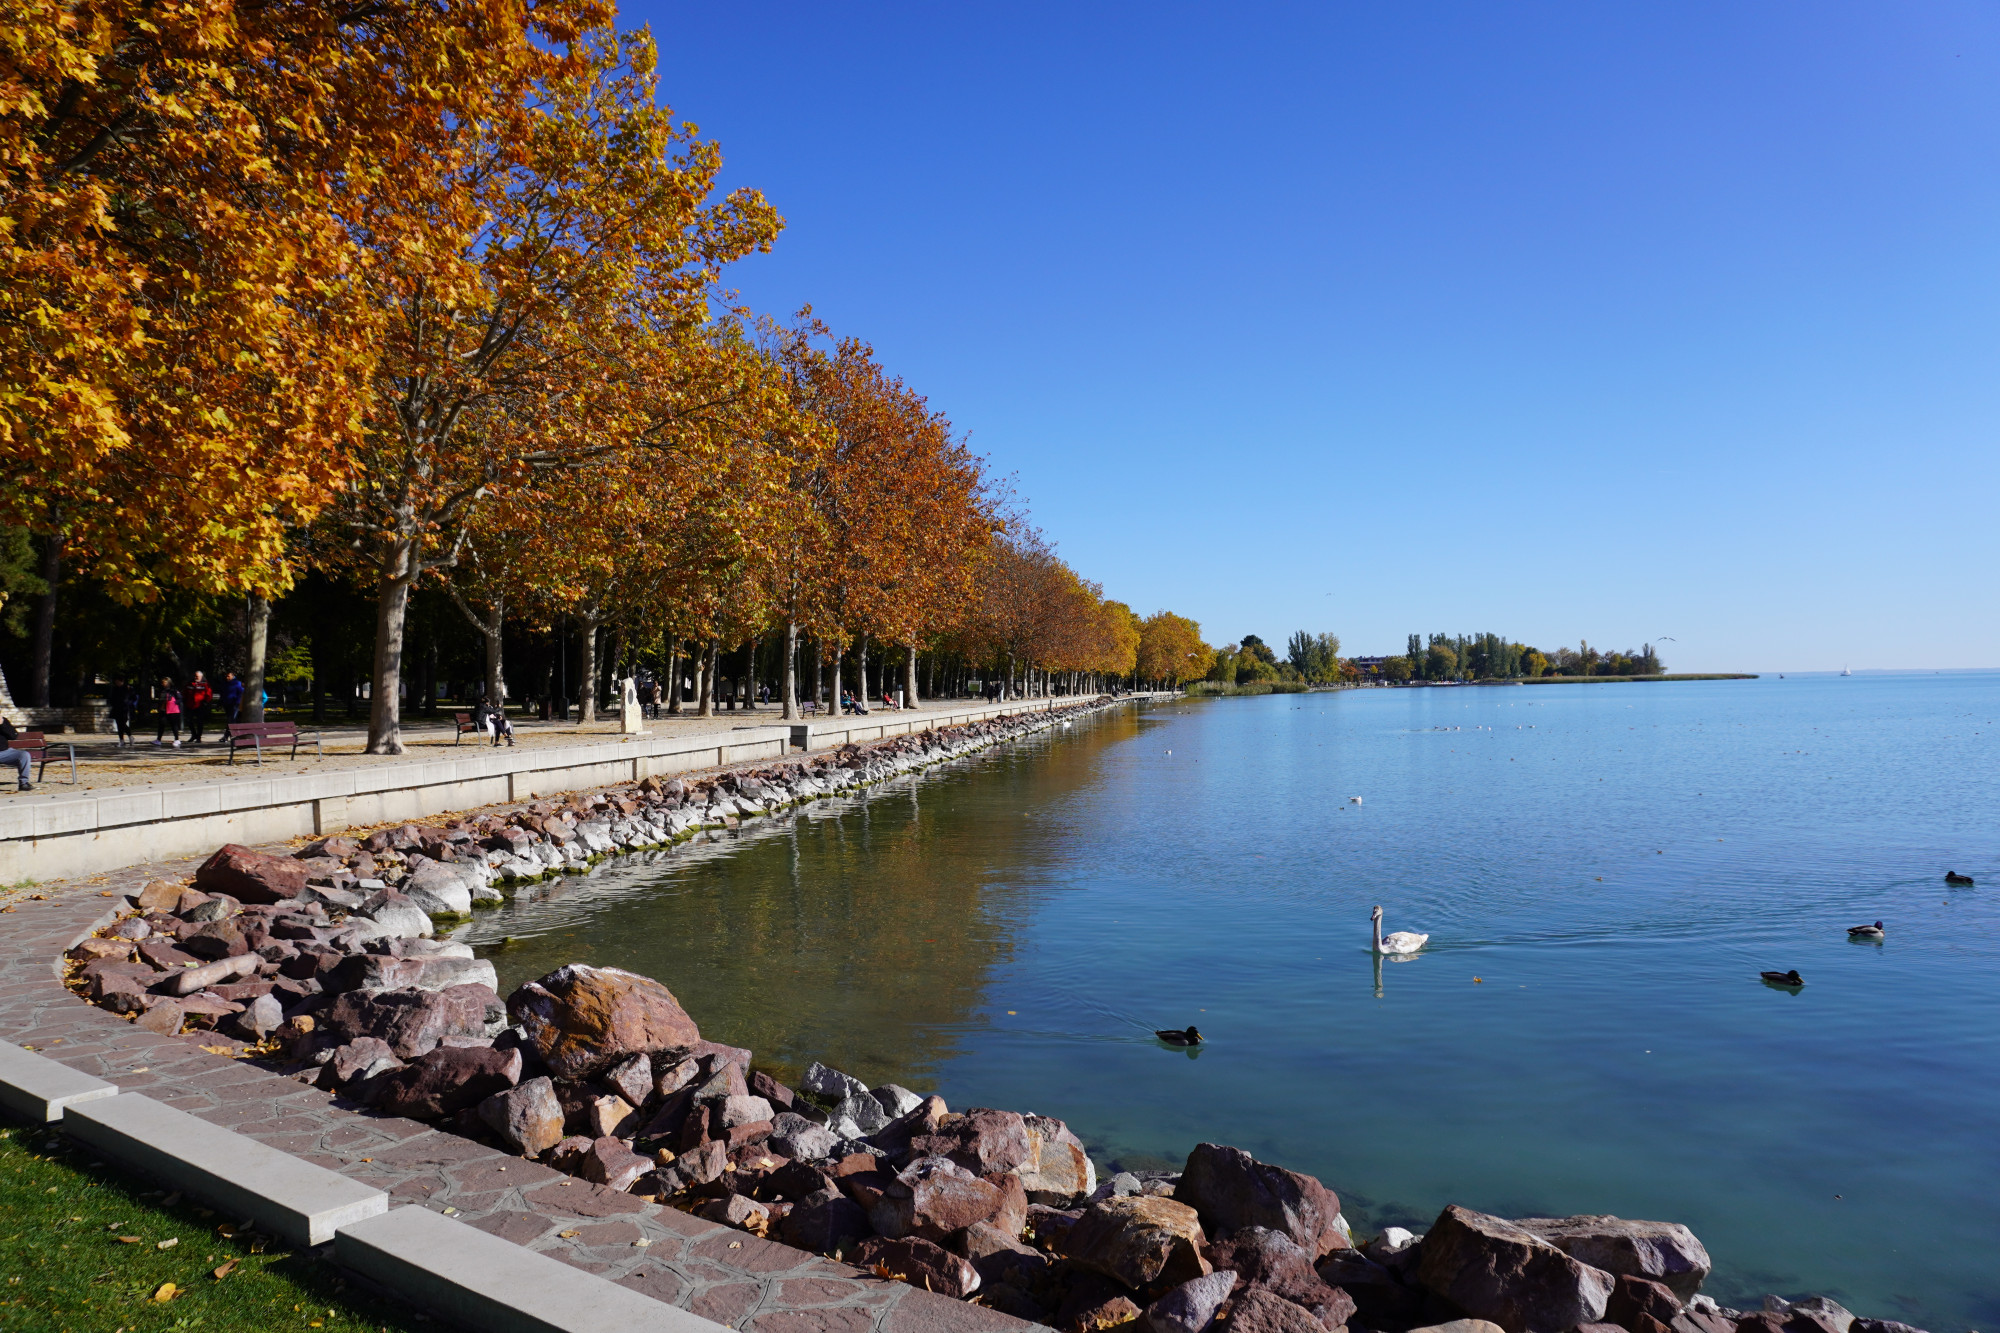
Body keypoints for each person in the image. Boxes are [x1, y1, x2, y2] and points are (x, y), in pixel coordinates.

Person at [0, 718, 33, 791]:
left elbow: (13, 736)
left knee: (24, 755)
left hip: (4, 752)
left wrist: (2, 724)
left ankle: (23, 783)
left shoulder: (3, 721)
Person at [106, 678, 138, 747]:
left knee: (122, 724)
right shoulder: (115, 689)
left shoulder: (128, 688)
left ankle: (129, 737)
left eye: (118, 681)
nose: (117, 683)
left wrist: (128, 704)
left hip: (124, 709)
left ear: (122, 681)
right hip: (117, 708)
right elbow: (112, 697)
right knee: (119, 724)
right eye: (116, 682)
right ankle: (122, 740)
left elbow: (134, 697)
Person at [185, 670, 214, 744]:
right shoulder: (190, 683)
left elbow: (209, 694)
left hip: (200, 705)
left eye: (197, 676)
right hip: (190, 705)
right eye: (195, 676)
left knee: (199, 722)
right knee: (189, 721)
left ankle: (198, 737)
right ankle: (194, 734)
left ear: (201, 677)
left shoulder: (205, 684)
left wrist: (205, 702)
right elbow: (185, 692)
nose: (195, 677)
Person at [155, 677, 182, 747]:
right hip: (164, 710)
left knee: (174, 725)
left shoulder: (174, 690)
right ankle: (158, 740)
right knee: (161, 724)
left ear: (168, 683)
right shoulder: (162, 691)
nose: (163, 684)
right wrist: (159, 707)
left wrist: (174, 703)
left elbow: (180, 698)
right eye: (163, 683)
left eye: (165, 682)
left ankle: (177, 739)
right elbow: (160, 700)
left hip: (173, 711)